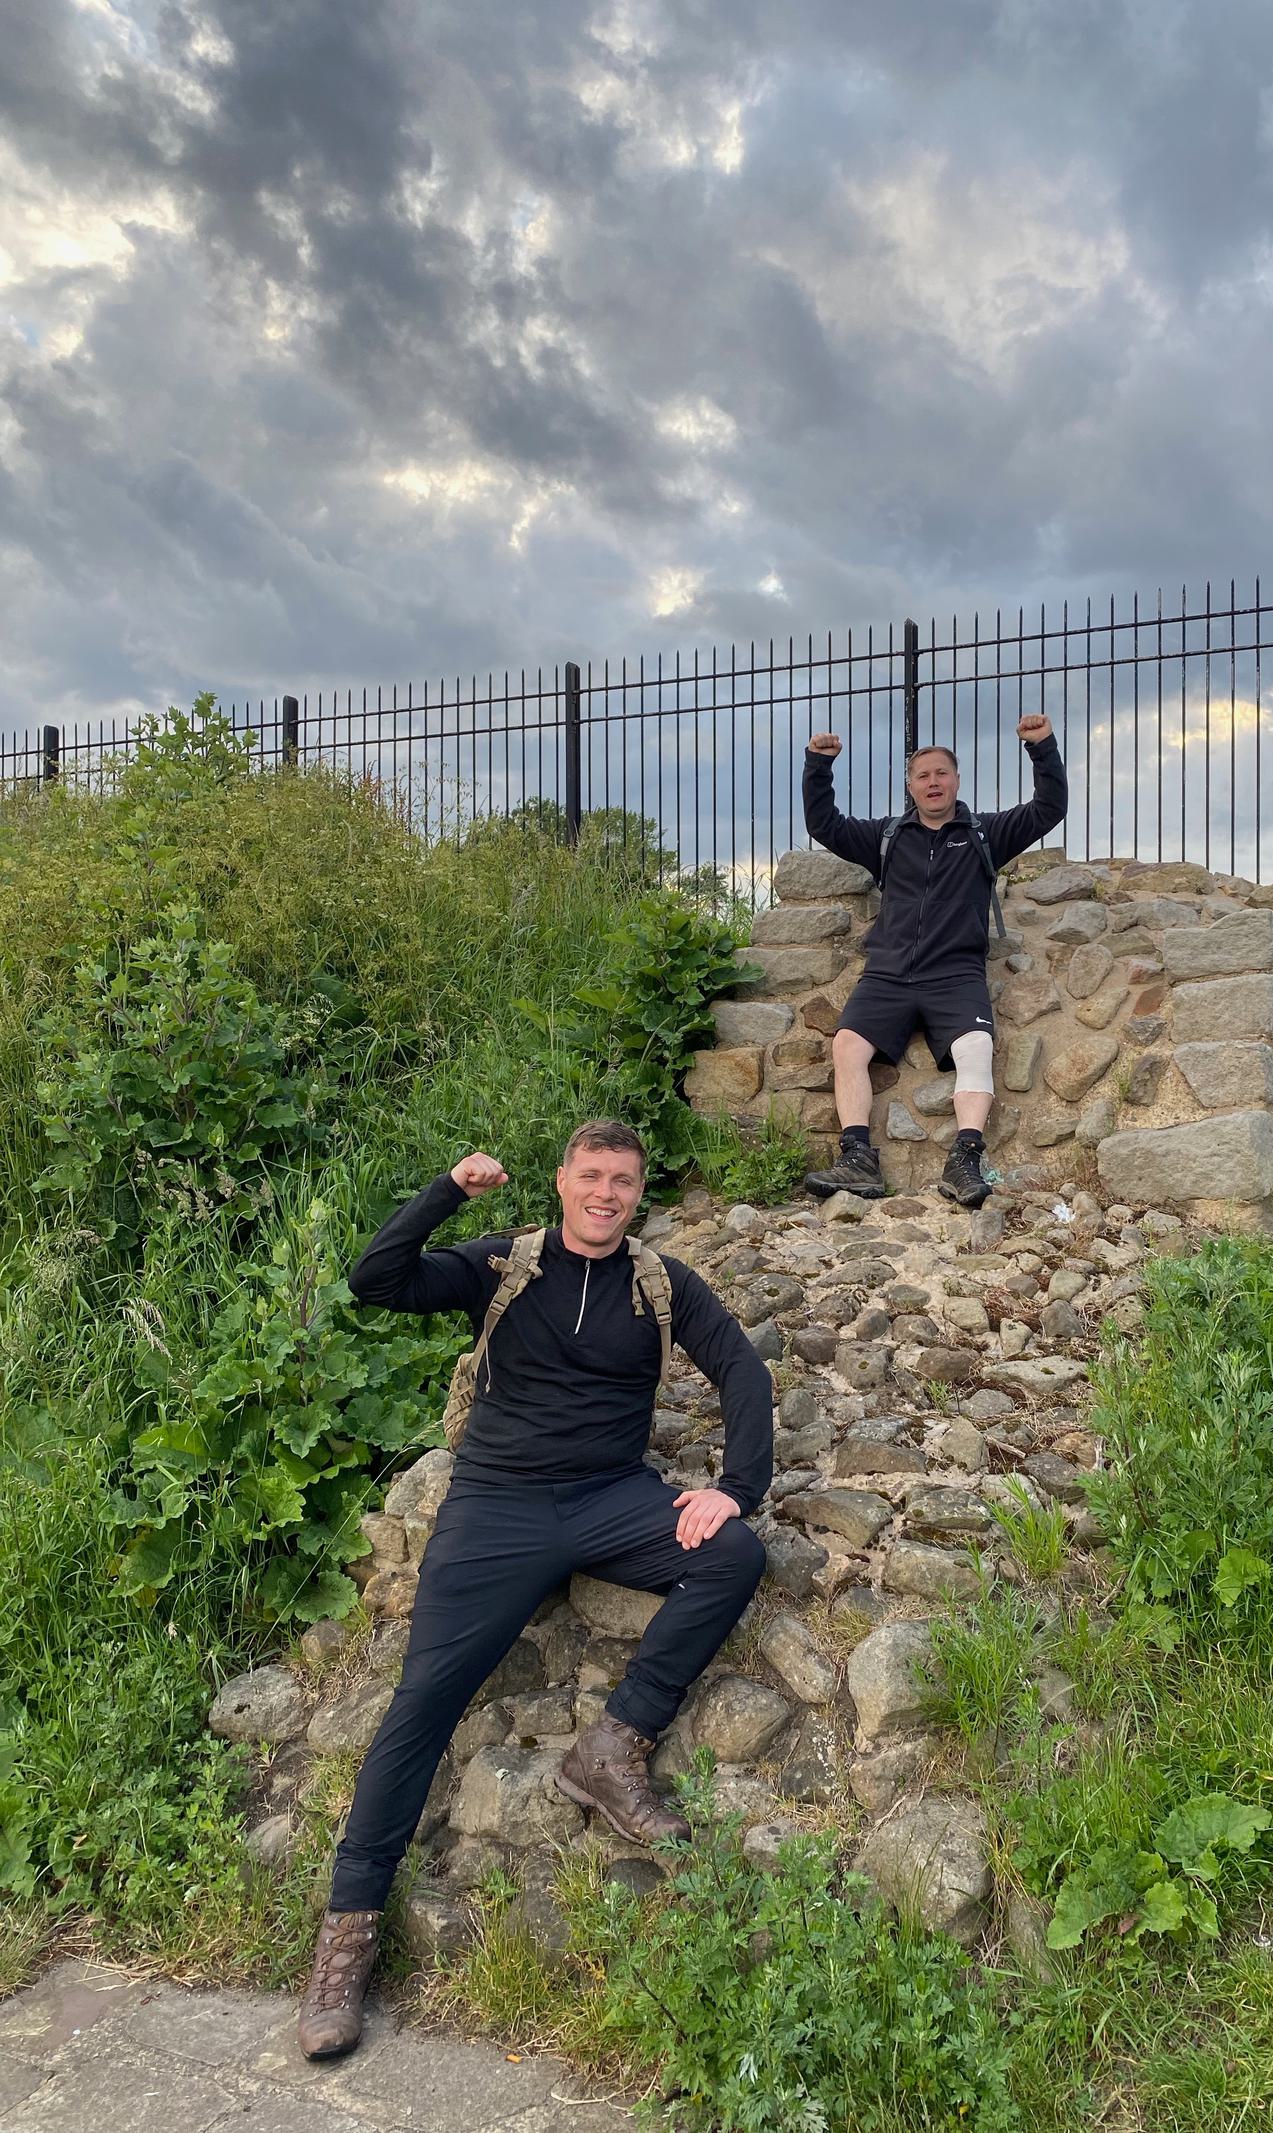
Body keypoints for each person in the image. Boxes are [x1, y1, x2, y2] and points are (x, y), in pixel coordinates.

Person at [296, 1119, 772, 2062]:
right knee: (423, 1701)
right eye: (591, 1176)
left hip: (609, 1497)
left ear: (638, 1193)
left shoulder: (660, 1284)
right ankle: (346, 1934)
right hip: (498, 1505)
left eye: (623, 1181)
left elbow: (745, 1372)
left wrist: (732, 1486)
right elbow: (375, 1280)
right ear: (562, 1181)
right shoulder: (501, 1265)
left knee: (735, 1554)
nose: (606, 1194)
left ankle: (612, 1744)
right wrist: (447, 1191)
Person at [800, 714, 1067, 1206]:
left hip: (955, 974)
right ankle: (857, 1159)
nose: (933, 782)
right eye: (922, 776)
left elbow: (1049, 808)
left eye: (941, 773)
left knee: (976, 1051)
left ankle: (965, 1159)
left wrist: (1041, 748)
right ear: (911, 787)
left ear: (957, 780)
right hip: (887, 974)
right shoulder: (888, 836)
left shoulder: (986, 832)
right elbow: (825, 824)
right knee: (847, 1046)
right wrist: (819, 765)